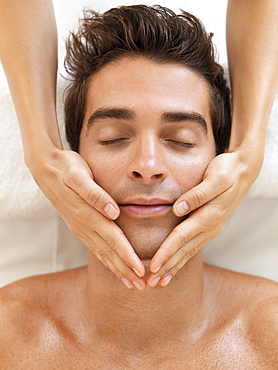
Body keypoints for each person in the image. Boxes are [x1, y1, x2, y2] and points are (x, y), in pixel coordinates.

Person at [1, 7, 277, 367]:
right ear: (73, 158)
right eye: (113, 138)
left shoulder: (269, 334)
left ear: (221, 159)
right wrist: (39, 151)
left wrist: (249, 152)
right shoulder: (9, 335)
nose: (147, 167)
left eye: (180, 140)